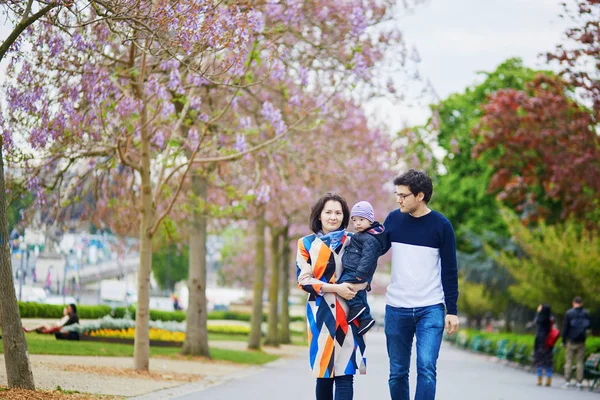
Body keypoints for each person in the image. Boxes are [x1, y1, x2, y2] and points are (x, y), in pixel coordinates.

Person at [383, 169, 459, 400]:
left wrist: (452, 311)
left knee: (426, 368)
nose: (399, 200)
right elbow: (374, 251)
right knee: (397, 372)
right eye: (397, 194)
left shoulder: (441, 226)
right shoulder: (393, 220)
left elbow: (449, 270)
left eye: (403, 195)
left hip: (430, 307)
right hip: (396, 307)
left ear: (420, 195)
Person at [297, 193, 368, 400]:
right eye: (328, 212)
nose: (333, 217)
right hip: (321, 315)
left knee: (346, 373)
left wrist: (357, 286)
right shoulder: (306, 244)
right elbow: (304, 281)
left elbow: (366, 275)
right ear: (319, 215)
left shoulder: (354, 241)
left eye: (338, 213)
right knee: (324, 374)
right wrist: (337, 289)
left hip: (350, 313)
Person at [339, 201, 386, 336]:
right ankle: (366, 318)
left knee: (342, 285)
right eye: (354, 220)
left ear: (370, 220)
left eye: (361, 220)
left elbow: (368, 258)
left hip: (356, 271)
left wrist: (361, 273)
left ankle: (357, 307)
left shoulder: (370, 238)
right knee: (360, 293)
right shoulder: (363, 235)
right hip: (355, 269)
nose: (357, 223)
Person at [562, 296, 591, 390]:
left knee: (569, 361)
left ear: (573, 303)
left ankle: (567, 381)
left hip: (571, 340)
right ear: (581, 303)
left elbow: (565, 328)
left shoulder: (569, 313)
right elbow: (589, 326)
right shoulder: (586, 313)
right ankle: (579, 382)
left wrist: (563, 340)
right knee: (580, 362)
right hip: (581, 341)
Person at [528, 304, 556, 387]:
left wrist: (538, 311)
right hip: (548, 342)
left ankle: (539, 379)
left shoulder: (539, 318)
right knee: (548, 361)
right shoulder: (550, 319)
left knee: (539, 360)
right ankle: (548, 379)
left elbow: (534, 322)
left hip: (539, 341)